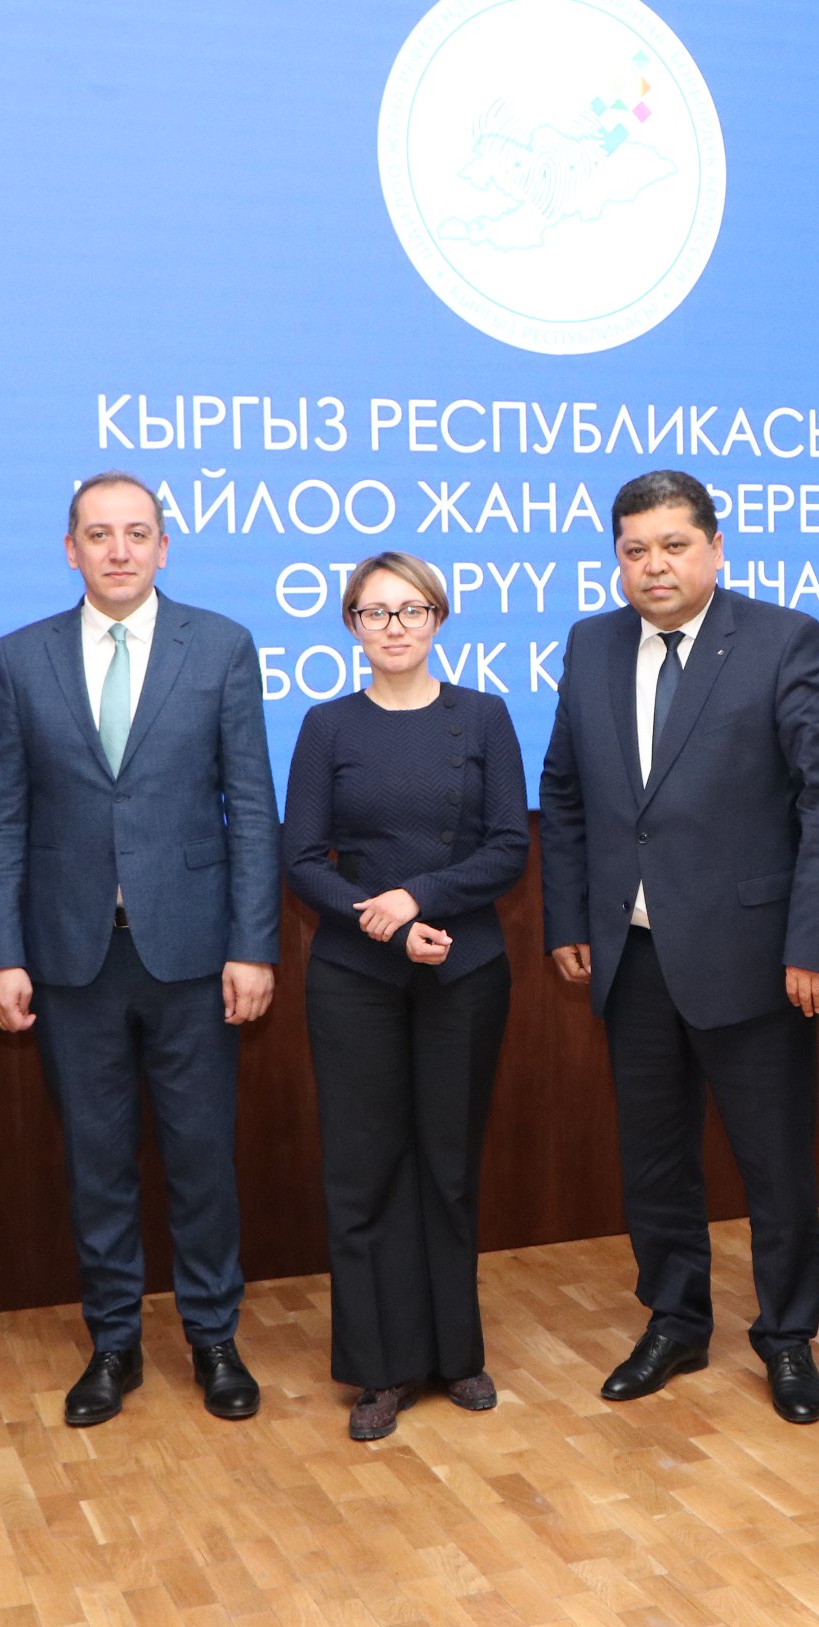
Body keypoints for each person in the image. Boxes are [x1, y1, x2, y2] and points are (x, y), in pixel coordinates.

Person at [539, 468, 819, 1423]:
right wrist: (570, 920)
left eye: (674, 545)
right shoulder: (591, 643)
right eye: (635, 550)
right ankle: (675, 1320)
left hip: (757, 958)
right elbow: (564, 792)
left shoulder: (781, 638)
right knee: (654, 1159)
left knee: (774, 1162)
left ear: (716, 548)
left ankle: (787, 1336)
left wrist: (815, 943)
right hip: (631, 953)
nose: (655, 565)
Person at [0, 470, 281, 1428]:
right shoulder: (21, 656)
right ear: (70, 549)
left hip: (194, 956)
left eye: (137, 532)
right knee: (96, 1162)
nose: (119, 550)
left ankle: (214, 1338)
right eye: (99, 534)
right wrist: (1, 953)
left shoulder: (221, 645)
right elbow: (3, 816)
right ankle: (113, 1343)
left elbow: (252, 808)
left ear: (163, 547)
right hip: (71, 960)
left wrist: (255, 945)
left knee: (202, 1160)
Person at [284, 553, 528, 1441]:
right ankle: (380, 1370)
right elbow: (301, 859)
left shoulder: (485, 716)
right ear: (351, 624)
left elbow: (509, 847)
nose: (394, 626)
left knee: (448, 1167)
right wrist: (383, 925)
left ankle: (456, 1354)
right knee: (364, 1172)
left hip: (465, 970)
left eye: (411, 609)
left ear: (439, 618)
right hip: (356, 976)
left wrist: (420, 900)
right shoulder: (326, 726)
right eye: (375, 612)